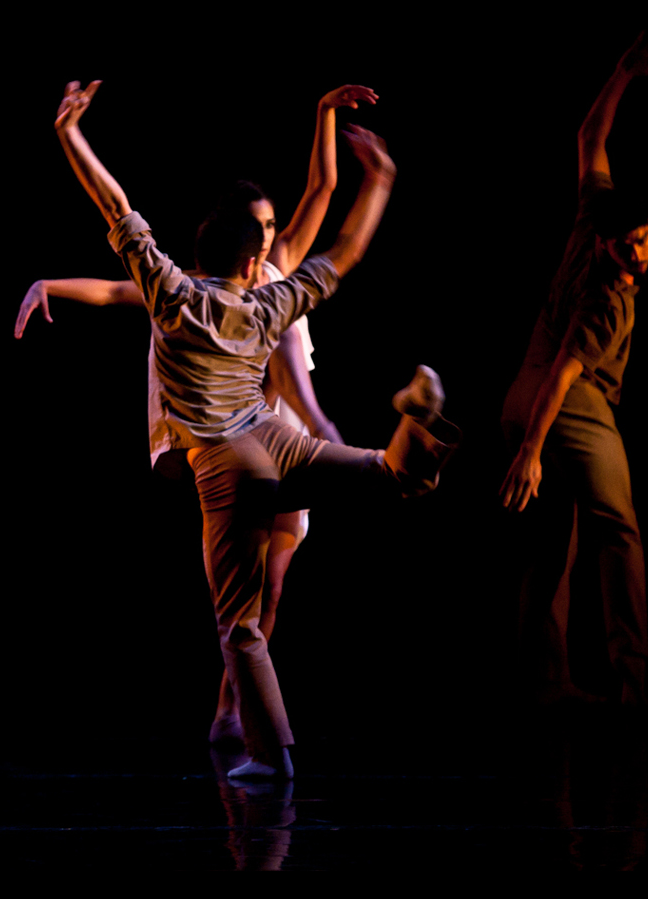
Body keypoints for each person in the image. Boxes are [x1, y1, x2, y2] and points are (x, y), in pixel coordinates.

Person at [52, 79, 459, 779]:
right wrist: (383, 179)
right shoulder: (270, 302)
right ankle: (415, 422)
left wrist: (70, 133)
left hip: (225, 461)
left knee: (239, 625)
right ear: (250, 263)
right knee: (386, 472)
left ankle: (271, 759)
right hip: (278, 438)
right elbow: (346, 252)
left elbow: (114, 204)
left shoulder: (170, 292)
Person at [17, 85, 375, 745]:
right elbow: (120, 289)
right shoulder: (201, 293)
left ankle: (233, 707)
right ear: (239, 236)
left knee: (272, 588)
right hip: (236, 441)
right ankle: (235, 718)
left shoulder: (281, 274)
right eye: (260, 228)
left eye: (274, 226)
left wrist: (324, 113)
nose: (271, 237)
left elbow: (323, 189)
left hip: (287, 435)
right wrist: (51, 285)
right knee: (243, 591)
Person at [499, 31, 648, 707]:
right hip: (564, 404)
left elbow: (589, 136)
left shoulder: (593, 210)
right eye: (628, 247)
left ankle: (543, 681)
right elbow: (567, 373)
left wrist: (623, 72)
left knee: (550, 545)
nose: (640, 256)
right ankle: (633, 679)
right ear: (604, 244)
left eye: (646, 240)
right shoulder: (608, 297)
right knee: (619, 530)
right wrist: (531, 452)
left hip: (521, 392)